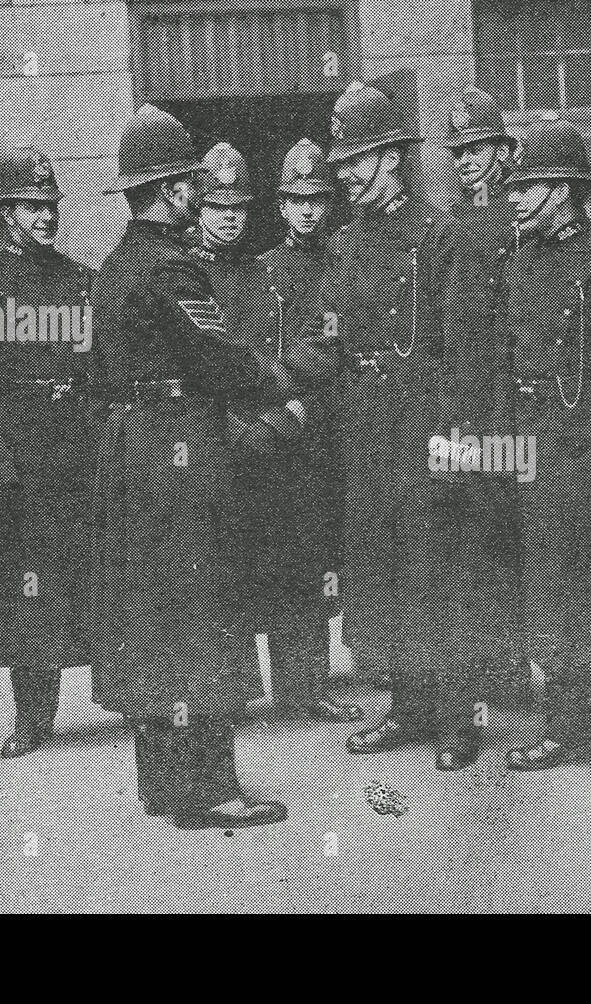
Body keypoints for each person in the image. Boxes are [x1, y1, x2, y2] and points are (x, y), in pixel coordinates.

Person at [90, 105, 299, 828]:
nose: (195, 194)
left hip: (131, 452)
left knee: (153, 617)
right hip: (181, 447)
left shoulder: (115, 267)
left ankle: (163, 785)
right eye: (188, 182)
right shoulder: (174, 268)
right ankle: (213, 791)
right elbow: (217, 363)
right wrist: (284, 376)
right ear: (175, 191)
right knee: (207, 612)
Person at [496, 115, 591, 784]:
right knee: (546, 589)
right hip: (534, 444)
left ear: (560, 190)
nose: (514, 199)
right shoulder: (519, 261)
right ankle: (565, 724)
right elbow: (509, 360)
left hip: (585, 443)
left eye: (525, 189)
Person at [0, 145, 94, 759]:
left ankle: (107, 696)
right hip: (16, 446)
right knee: (24, 589)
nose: (42, 218)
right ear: (5, 210)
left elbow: (95, 365)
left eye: (49, 205)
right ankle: (31, 717)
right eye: (29, 206)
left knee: (75, 576)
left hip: (72, 442)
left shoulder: (74, 277)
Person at [321, 83, 451, 756]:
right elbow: (328, 336)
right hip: (366, 422)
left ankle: (449, 711)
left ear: (393, 159)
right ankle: (406, 702)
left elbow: (461, 346)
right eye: (341, 162)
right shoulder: (343, 244)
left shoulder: (436, 235)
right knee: (380, 563)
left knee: (430, 562)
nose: (343, 173)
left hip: (423, 420)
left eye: (356, 160)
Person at [243, 139, 361, 722]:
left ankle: (367, 663)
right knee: (292, 555)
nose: (308, 211)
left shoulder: (347, 260)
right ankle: (298, 686)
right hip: (291, 433)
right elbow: (262, 358)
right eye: (297, 200)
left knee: (342, 551)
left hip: (343, 424)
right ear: (282, 205)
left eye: (317, 199)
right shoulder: (262, 272)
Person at [431, 88, 523, 770]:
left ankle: (524, 686)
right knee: (463, 568)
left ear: (505, 152)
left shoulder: (525, 224)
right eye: (458, 151)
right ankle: (459, 720)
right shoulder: (450, 229)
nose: (468, 162)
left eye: (479, 149)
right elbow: (443, 339)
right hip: (465, 417)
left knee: (533, 560)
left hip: (517, 415)